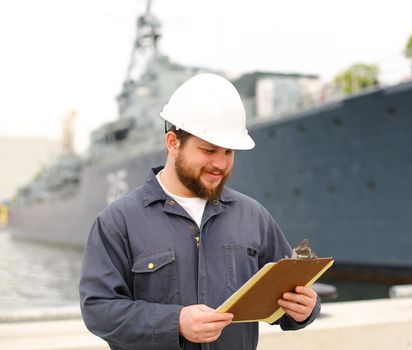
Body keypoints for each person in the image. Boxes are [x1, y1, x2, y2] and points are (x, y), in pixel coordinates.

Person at [79, 73, 320, 350]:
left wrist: (305, 310)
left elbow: (287, 292)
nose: (221, 163)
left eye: (229, 152)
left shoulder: (253, 216)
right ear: (173, 143)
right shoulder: (118, 222)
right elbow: (98, 310)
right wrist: (175, 322)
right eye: (209, 150)